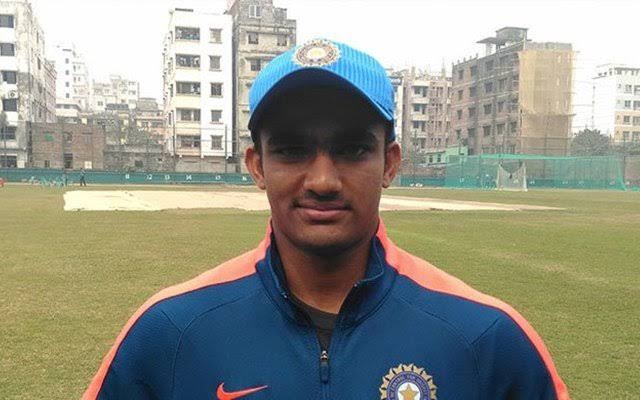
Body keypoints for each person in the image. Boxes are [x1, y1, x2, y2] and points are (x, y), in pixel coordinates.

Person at [84, 39, 569, 400]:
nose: (322, 180)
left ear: (390, 163)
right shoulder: (170, 332)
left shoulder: (486, 337)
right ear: (257, 166)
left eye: (352, 149)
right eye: (292, 150)